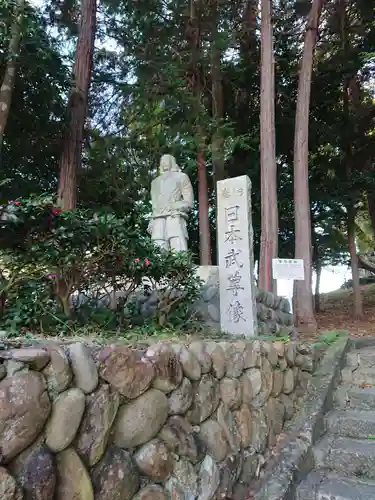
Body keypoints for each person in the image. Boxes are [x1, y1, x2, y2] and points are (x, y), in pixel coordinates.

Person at [148, 154, 194, 251]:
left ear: (172, 162)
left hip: (174, 213)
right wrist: (152, 220)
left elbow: (189, 201)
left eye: (166, 160)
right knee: (158, 243)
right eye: (162, 160)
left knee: (177, 241)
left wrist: (178, 205)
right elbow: (155, 205)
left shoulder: (181, 177)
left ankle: (181, 264)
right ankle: (159, 266)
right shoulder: (155, 182)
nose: (164, 162)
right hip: (158, 216)